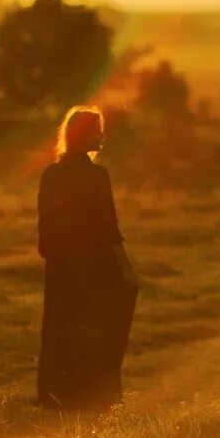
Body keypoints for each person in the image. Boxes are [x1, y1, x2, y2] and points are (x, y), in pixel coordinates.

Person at [35, 106, 137, 410]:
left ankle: (56, 395)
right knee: (98, 330)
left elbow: (45, 225)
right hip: (95, 267)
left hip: (60, 267)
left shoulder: (51, 174)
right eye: (97, 131)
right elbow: (109, 228)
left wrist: (55, 257)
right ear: (82, 135)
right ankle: (95, 394)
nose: (103, 136)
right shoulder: (97, 176)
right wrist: (128, 269)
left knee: (59, 328)